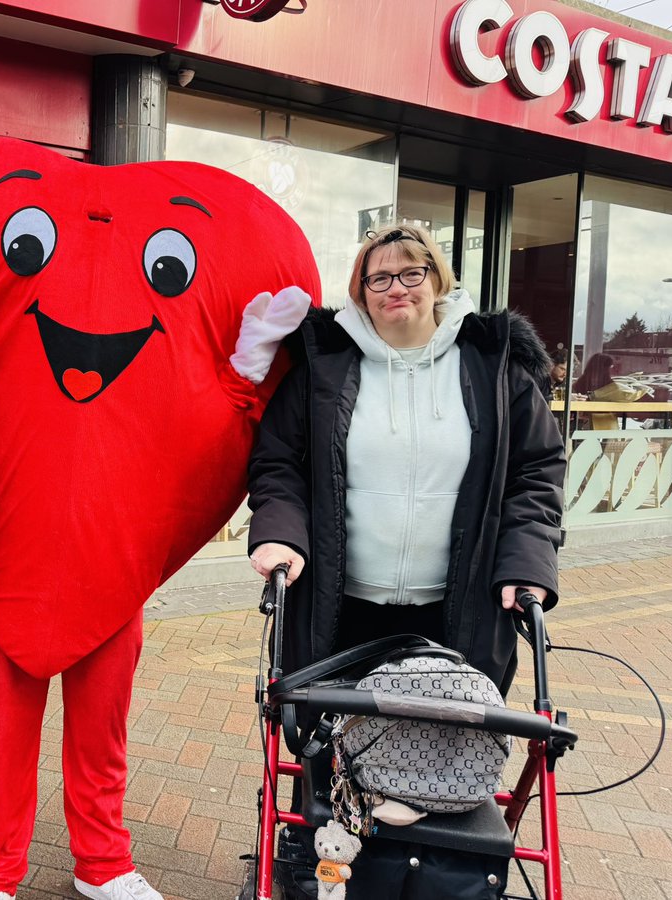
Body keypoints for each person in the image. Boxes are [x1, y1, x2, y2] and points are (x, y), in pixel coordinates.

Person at [246, 224, 565, 900]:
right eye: (378, 278)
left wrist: (527, 562)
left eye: (411, 272)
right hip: (343, 606)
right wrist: (280, 534)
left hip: (457, 610)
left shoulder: (492, 364)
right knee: (331, 752)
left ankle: (429, 882)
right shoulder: (324, 366)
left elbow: (538, 473)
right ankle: (324, 877)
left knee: (440, 758)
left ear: (438, 280)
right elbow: (280, 463)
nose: (396, 288)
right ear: (360, 292)